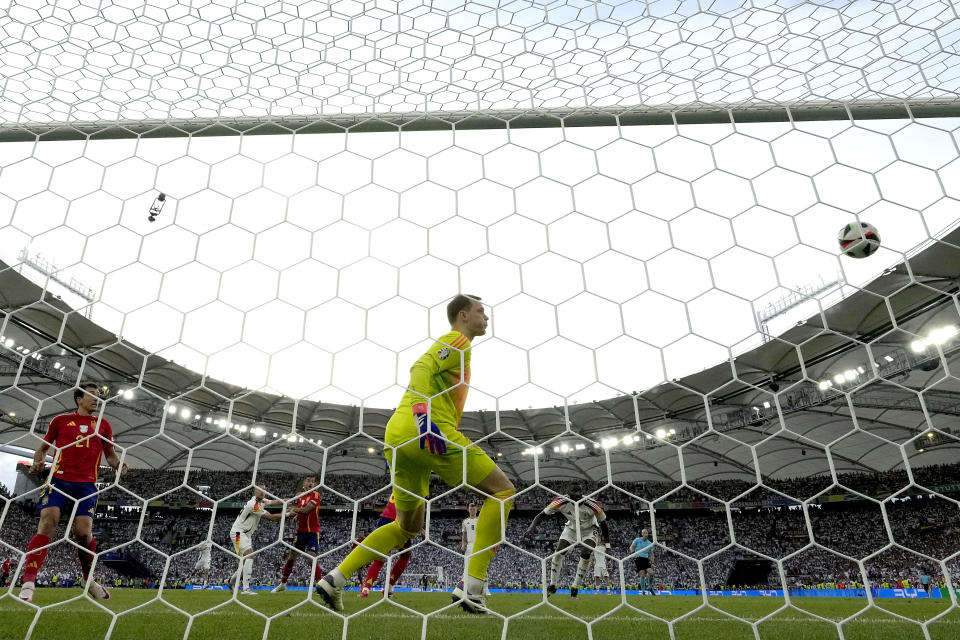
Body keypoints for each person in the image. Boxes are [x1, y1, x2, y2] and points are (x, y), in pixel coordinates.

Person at [317, 294, 516, 615]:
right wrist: (425, 418)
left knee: (406, 526)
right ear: (463, 315)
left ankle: (334, 580)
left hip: (398, 434)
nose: (486, 317)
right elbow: (420, 366)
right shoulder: (458, 340)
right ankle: (473, 588)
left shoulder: (460, 347)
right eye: (481, 311)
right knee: (504, 492)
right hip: (427, 429)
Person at [19, 382, 128, 603]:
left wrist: (120, 466)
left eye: (98, 395)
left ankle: (89, 582)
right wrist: (38, 462)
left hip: (87, 485)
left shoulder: (103, 425)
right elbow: (42, 449)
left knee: (83, 533)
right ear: (79, 399)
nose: (96, 399)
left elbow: (110, 456)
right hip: (58, 481)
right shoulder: (59, 421)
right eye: (92, 395)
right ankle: (29, 581)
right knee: (48, 522)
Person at [523, 484, 610, 598]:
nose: (576, 496)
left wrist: (607, 543)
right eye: (573, 493)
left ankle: (575, 587)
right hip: (571, 529)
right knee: (559, 552)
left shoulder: (592, 504)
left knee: (586, 553)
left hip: (589, 529)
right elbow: (542, 514)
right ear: (568, 493)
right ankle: (553, 585)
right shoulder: (560, 501)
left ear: (581, 493)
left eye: (578, 493)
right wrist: (531, 528)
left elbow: (603, 522)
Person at [272, 475, 323, 592]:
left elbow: (306, 510)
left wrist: (294, 511)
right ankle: (283, 584)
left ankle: (320, 584)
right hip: (300, 532)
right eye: (308, 481)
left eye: (313, 482)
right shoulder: (299, 496)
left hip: (312, 533)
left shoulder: (316, 495)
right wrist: (295, 515)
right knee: (291, 558)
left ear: (315, 485)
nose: (311, 483)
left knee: (311, 559)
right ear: (303, 484)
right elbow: (295, 508)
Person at [230, 484, 283, 595]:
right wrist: (287, 514)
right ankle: (245, 589)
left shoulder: (262, 501)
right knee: (250, 556)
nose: (262, 492)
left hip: (246, 535)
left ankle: (230, 581)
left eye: (264, 490)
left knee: (243, 561)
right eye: (260, 490)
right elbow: (272, 517)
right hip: (239, 533)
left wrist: (291, 500)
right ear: (255, 491)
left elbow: (275, 502)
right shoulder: (253, 505)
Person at [358, 494, 412, 598]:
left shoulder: (398, 484)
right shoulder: (412, 488)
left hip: (383, 520)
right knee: (405, 555)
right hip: (399, 521)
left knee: (379, 559)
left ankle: (366, 589)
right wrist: (422, 530)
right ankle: (389, 588)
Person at [461, 502, 490, 595]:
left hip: (479, 545)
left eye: (474, 509)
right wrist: (463, 544)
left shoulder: (481, 520)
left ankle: (485, 588)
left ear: (477, 510)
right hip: (469, 546)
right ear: (468, 510)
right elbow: (464, 534)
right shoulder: (465, 521)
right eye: (471, 508)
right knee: (467, 567)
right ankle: (465, 588)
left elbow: (485, 532)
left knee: (482, 567)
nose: (472, 510)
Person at [630, 528, 656, 595]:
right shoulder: (637, 540)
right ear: (642, 534)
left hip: (646, 559)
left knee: (651, 573)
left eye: (646, 532)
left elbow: (652, 554)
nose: (645, 534)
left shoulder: (650, 543)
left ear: (647, 534)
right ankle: (643, 591)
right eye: (644, 532)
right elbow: (632, 547)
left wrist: (652, 563)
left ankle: (650, 587)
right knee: (642, 575)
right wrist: (632, 553)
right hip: (638, 559)